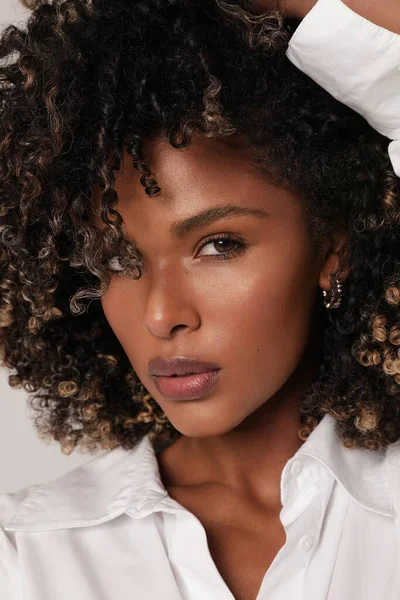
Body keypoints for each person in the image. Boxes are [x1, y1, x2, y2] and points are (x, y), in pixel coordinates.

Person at [0, 0, 399, 598]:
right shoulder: (24, 553)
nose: (161, 315)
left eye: (218, 244)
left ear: (332, 246)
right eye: (116, 258)